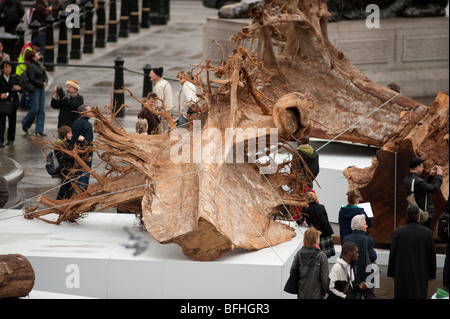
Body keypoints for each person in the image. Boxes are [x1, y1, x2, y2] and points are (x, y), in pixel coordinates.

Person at [387, 205, 437, 299]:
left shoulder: (399, 231)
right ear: (418, 217)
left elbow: (393, 253)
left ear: (406, 216)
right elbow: (432, 255)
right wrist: (432, 274)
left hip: (402, 273)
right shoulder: (427, 233)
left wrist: (391, 272)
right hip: (420, 273)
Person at [342, 214, 377, 299]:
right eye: (365, 224)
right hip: (367, 276)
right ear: (361, 227)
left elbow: (343, 258)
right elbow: (373, 257)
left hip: (352, 276)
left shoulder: (346, 239)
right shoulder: (368, 240)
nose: (367, 226)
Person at [288, 227, 329, 299]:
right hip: (316, 294)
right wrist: (326, 293)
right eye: (318, 238)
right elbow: (324, 278)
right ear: (315, 240)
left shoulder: (299, 253)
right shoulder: (322, 256)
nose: (319, 240)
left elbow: (292, 271)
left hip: (302, 293)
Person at [404, 157, 443, 228]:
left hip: (414, 212)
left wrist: (431, 175)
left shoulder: (408, 179)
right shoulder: (418, 181)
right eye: (422, 166)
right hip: (423, 214)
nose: (423, 168)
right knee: (425, 234)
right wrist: (439, 176)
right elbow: (435, 189)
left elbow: (422, 187)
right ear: (417, 167)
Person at [21, 49, 48, 137]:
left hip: (41, 88)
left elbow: (45, 75)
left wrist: (45, 83)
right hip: (35, 89)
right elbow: (32, 79)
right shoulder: (31, 66)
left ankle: (39, 130)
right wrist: (42, 84)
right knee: (34, 109)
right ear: (33, 57)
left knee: (41, 110)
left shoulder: (39, 63)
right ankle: (25, 123)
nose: (38, 54)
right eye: (36, 53)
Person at [303, 191, 335, 258]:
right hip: (326, 232)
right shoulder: (321, 206)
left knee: (316, 256)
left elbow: (299, 221)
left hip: (315, 234)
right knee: (325, 256)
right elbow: (326, 219)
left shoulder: (305, 208)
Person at [71, 104, 94, 193]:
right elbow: (88, 141)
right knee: (84, 176)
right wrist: (89, 154)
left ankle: (75, 194)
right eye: (89, 110)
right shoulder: (87, 125)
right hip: (85, 154)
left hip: (76, 152)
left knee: (77, 176)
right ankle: (82, 195)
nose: (91, 112)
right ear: (83, 113)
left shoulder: (75, 122)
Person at [0, 61, 21, 147]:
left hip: (13, 103)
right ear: (2, 69)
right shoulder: (0, 79)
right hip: (2, 103)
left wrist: (19, 88)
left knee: (12, 121)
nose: (8, 69)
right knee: (1, 122)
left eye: (9, 67)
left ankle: (10, 139)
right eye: (6, 67)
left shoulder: (15, 78)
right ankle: (0, 140)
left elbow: (22, 88)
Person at [149, 67, 173, 133]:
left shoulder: (158, 86)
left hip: (162, 113)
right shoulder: (166, 83)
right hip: (169, 111)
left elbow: (158, 103)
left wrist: (152, 110)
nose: (149, 75)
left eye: (151, 73)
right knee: (167, 131)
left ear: (156, 75)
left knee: (162, 132)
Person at [55, 125, 75, 199]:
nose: (72, 135)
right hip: (66, 169)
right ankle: (61, 202)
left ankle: (61, 201)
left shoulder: (67, 143)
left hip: (67, 169)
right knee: (66, 188)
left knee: (66, 187)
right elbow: (67, 156)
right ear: (65, 134)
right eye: (70, 133)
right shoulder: (63, 144)